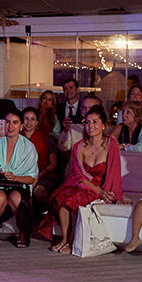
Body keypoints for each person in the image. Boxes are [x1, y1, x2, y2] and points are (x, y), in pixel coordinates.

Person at [38, 105, 123, 253]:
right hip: (82, 184)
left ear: (103, 126)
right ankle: (64, 239)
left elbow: (115, 172)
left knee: (74, 200)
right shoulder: (79, 146)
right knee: (62, 197)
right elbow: (78, 175)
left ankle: (71, 242)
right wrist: (98, 191)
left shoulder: (111, 144)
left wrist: (114, 195)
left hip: (101, 185)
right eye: (88, 122)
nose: (91, 126)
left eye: (95, 122)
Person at [0, 110, 39, 248]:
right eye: (7, 122)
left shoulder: (29, 147)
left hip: (19, 184)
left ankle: (23, 233)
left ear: (21, 126)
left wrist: (16, 177)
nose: (10, 126)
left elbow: (31, 178)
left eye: (15, 122)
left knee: (15, 198)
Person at [21, 107, 59, 220]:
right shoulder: (16, 137)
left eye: (32, 119)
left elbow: (53, 163)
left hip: (43, 175)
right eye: (26, 119)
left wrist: (39, 175)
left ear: (37, 122)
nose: (29, 122)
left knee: (39, 191)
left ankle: (43, 220)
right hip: (20, 175)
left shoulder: (45, 139)